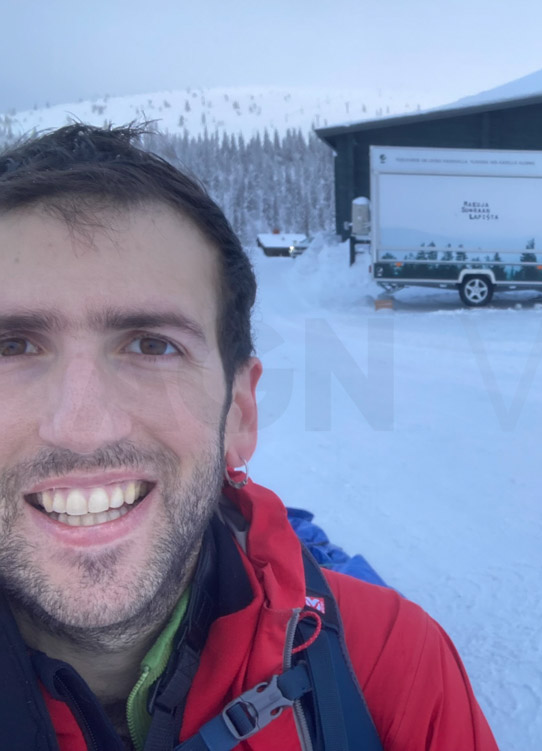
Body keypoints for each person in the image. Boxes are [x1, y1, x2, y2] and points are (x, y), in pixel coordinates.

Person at [0, 124, 499, 751]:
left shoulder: (390, 664)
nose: (82, 427)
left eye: (152, 345)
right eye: (10, 347)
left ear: (239, 411)